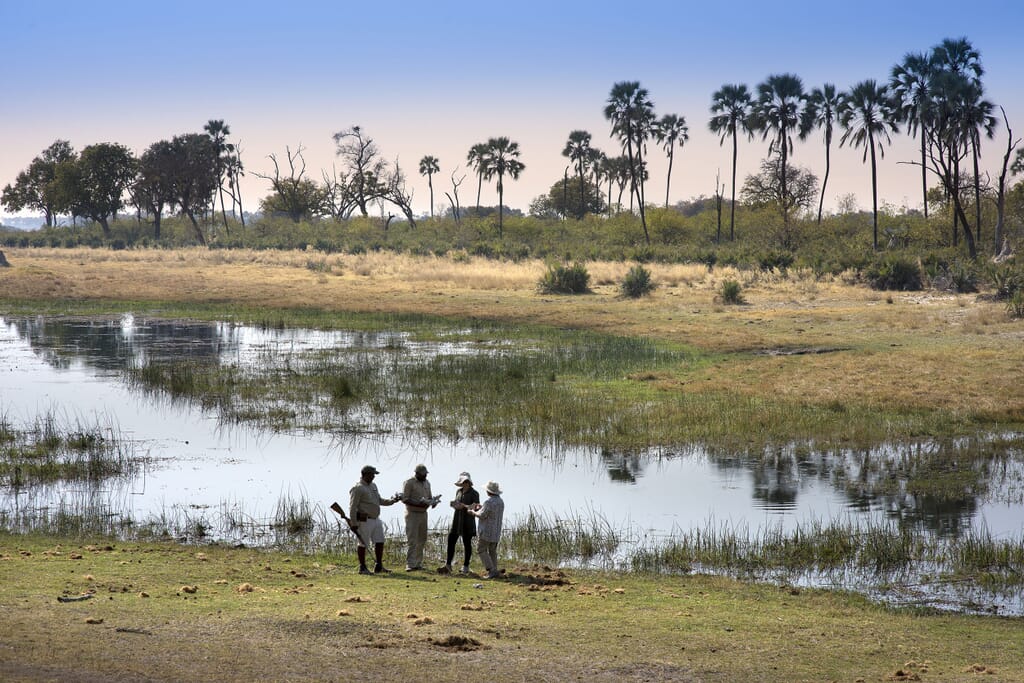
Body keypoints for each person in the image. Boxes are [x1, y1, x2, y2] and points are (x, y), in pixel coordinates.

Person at [348, 465, 400, 575]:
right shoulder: (357, 488)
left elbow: (379, 500)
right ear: (365, 474)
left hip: (376, 519)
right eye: (372, 474)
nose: (373, 477)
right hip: (365, 520)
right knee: (363, 544)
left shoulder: (373, 486)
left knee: (380, 541)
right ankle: (362, 567)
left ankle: (379, 566)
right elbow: (352, 507)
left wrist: (392, 501)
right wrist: (354, 523)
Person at [401, 464, 438, 571]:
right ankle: (410, 564)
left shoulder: (427, 483)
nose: (425, 476)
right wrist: (418, 503)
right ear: (417, 473)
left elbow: (429, 497)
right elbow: (405, 499)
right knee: (412, 539)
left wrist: (433, 502)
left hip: (423, 514)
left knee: (422, 539)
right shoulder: (409, 482)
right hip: (412, 513)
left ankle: (418, 563)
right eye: (423, 474)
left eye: (426, 474)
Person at [442, 472, 480, 574]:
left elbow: (476, 507)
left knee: (467, 543)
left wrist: (464, 506)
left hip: (467, 521)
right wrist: (454, 504)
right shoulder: (458, 491)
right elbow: (457, 503)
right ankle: (448, 564)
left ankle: (466, 566)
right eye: (463, 482)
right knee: (451, 540)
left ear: (469, 482)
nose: (464, 483)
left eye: (466, 481)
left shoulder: (474, 493)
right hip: (457, 520)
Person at [470, 480, 505, 579]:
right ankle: (495, 569)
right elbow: (490, 512)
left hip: (486, 531)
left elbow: (482, 515)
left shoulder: (488, 502)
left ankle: (491, 570)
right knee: (492, 551)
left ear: (489, 491)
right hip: (496, 531)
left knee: (481, 549)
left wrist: (473, 512)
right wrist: (482, 507)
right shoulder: (500, 501)